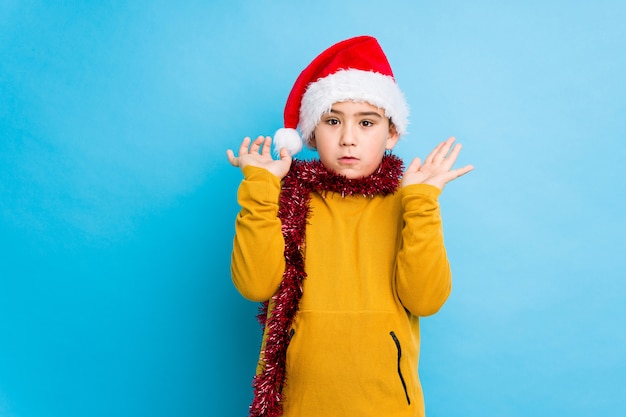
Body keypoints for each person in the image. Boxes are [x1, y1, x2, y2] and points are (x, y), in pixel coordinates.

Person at [226, 35, 473, 417]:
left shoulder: (408, 202)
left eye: (367, 122)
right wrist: (260, 188)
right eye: (333, 120)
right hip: (299, 405)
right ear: (310, 133)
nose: (348, 138)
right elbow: (254, 284)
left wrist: (422, 204)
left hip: (388, 405)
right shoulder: (288, 200)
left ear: (391, 134)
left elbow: (426, 299)